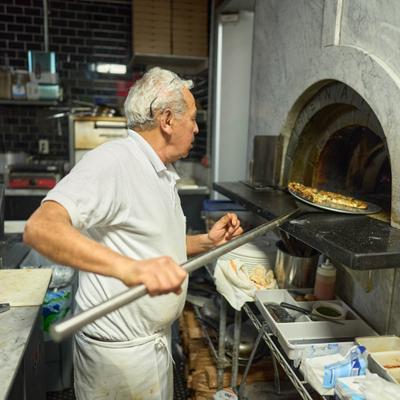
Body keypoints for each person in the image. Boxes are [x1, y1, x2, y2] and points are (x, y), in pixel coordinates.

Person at [23, 67, 243, 400]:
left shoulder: (159, 171)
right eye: (193, 119)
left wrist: (205, 242)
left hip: (150, 349)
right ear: (167, 120)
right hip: (117, 362)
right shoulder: (113, 162)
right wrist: (131, 270)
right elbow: (40, 228)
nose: (197, 128)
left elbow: (149, 244)